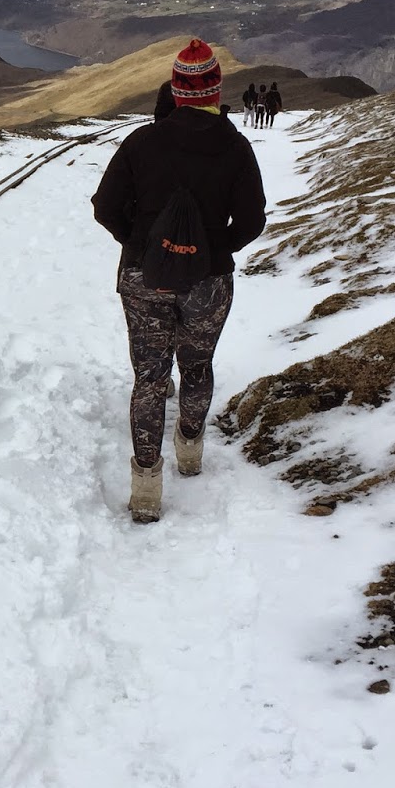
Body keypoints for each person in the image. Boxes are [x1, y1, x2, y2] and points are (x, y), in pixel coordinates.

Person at [91, 38, 267, 523]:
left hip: (145, 278)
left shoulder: (142, 142)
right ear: (214, 90)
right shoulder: (234, 147)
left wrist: (142, 248)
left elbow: (104, 207)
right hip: (207, 283)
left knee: (149, 378)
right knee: (197, 366)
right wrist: (210, 254)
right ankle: (189, 449)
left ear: (176, 89)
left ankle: (146, 487)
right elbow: (251, 222)